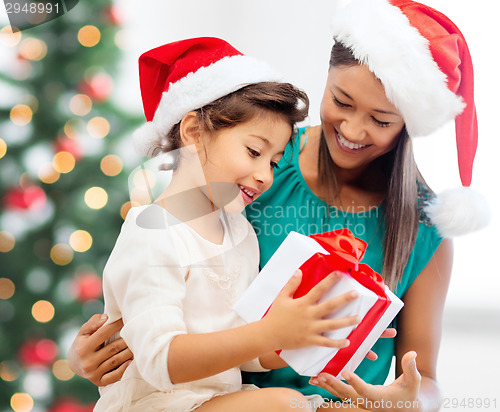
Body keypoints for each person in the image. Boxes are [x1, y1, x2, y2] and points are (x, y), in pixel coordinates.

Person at [68, 1, 489, 411]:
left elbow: (425, 380)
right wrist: (90, 353)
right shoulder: (250, 161)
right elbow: (150, 271)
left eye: (381, 120)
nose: (354, 129)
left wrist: (410, 401)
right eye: (341, 101)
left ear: (408, 125)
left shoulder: (423, 225)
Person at [89, 36, 367, 412]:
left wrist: (313, 336)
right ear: (193, 131)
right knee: (288, 404)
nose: (264, 176)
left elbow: (246, 355)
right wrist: (267, 332)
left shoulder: (241, 233)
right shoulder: (152, 231)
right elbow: (159, 362)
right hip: (155, 403)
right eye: (253, 151)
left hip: (217, 400)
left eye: (273, 162)